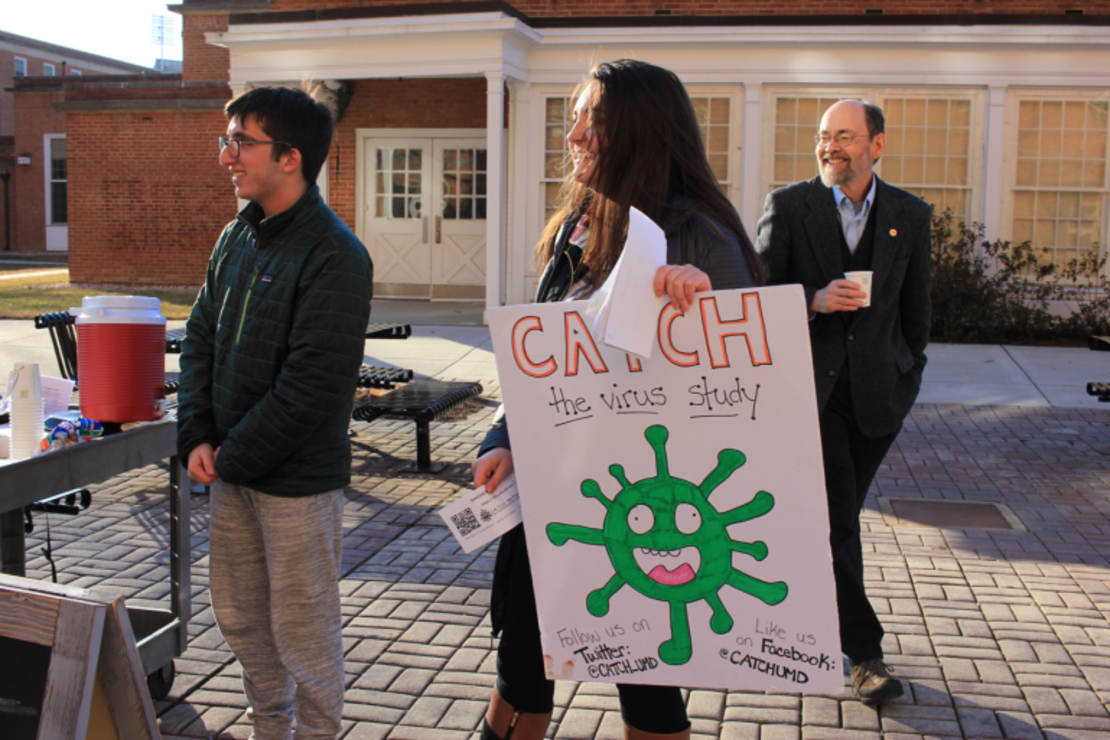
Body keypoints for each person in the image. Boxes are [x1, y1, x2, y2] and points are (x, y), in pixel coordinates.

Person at [471, 59, 767, 740]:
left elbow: (748, 387)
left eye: (592, 121)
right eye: (575, 118)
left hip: (648, 513)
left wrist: (705, 306)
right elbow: (544, 357)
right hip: (556, 496)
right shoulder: (583, 224)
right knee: (523, 668)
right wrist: (503, 437)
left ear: (639, 133)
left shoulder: (699, 237)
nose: (573, 134)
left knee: (647, 683)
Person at [177, 84, 373, 740]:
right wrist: (196, 435)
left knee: (305, 633)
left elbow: (312, 386)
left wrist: (232, 456)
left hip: (295, 484)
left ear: (290, 157)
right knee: (239, 617)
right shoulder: (237, 236)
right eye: (226, 139)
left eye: (241, 141)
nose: (226, 154)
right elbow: (200, 335)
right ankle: (270, 729)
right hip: (232, 468)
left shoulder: (336, 256)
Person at [755, 99, 932, 704]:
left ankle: (796, 608)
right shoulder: (788, 206)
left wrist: (909, 378)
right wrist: (811, 299)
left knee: (832, 523)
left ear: (876, 146)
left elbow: (917, 313)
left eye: (845, 137)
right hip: (811, 392)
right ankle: (864, 655)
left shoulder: (910, 214)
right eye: (824, 136)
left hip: (880, 400)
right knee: (834, 519)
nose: (831, 147)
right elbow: (754, 298)